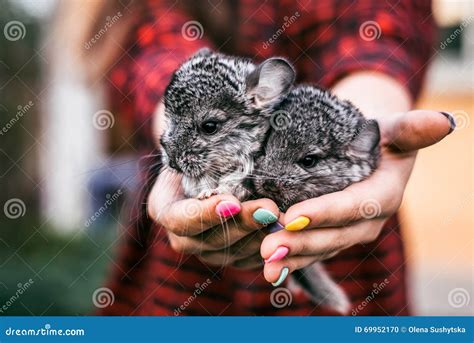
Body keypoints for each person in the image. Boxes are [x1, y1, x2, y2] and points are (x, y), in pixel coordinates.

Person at [81, 0, 454, 315]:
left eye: (210, 128)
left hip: (351, 260)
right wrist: (181, 135)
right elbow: (150, 42)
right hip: (182, 283)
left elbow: (376, 24)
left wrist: (364, 118)